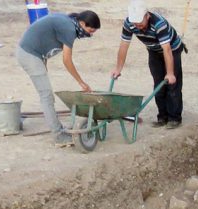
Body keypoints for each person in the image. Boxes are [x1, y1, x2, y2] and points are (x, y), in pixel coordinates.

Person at [17, 10, 100, 146]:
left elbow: (42, 38)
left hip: (32, 55)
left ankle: (59, 130)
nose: (89, 34)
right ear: (83, 23)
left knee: (46, 94)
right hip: (29, 54)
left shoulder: (68, 22)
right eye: (90, 30)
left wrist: (44, 65)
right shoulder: (69, 28)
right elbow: (67, 60)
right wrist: (81, 82)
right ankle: (58, 135)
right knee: (47, 96)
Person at [112, 0, 185, 129]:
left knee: (172, 84)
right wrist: (118, 69)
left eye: (140, 23)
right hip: (153, 50)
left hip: (172, 49)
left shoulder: (159, 24)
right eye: (135, 24)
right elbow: (124, 46)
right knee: (158, 83)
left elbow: (167, 50)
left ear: (147, 16)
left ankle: (174, 118)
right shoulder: (129, 23)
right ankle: (162, 117)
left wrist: (170, 73)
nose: (138, 26)